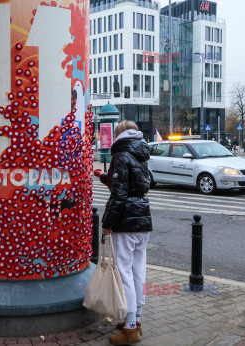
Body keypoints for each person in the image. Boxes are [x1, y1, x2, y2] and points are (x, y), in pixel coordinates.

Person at [93, 121, 153, 345]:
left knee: (125, 274)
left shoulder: (120, 154)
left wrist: (107, 223)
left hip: (125, 223)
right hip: (142, 220)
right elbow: (136, 184)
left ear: (117, 134)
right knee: (138, 271)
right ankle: (136, 320)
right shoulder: (140, 153)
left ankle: (129, 329)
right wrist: (104, 177)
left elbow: (119, 195)